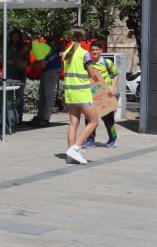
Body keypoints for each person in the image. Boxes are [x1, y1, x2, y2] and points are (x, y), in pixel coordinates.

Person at [62, 27, 100, 164]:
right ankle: (76, 148)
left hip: (70, 92)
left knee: (73, 123)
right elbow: (92, 74)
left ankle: (70, 154)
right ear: (83, 37)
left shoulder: (66, 53)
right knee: (94, 121)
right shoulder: (84, 54)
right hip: (82, 92)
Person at [85, 41, 119, 148]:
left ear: (101, 51)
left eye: (97, 50)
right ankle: (90, 140)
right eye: (92, 50)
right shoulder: (88, 64)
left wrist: (112, 88)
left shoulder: (107, 62)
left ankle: (113, 138)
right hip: (92, 94)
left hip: (105, 95)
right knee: (90, 118)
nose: (94, 52)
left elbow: (116, 75)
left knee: (108, 120)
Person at [30, 31, 63, 126]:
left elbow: (42, 64)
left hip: (53, 69)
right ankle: (40, 116)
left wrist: (29, 65)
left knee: (48, 94)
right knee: (42, 93)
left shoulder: (35, 48)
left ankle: (45, 118)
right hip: (50, 68)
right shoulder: (35, 45)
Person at [5, 30, 30, 125]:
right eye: (13, 36)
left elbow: (27, 62)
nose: (15, 38)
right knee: (9, 96)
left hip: (20, 74)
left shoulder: (23, 48)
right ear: (11, 37)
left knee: (19, 96)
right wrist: (7, 61)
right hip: (9, 73)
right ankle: (10, 117)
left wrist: (17, 61)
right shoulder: (7, 47)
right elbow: (1, 59)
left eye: (17, 36)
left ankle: (19, 117)